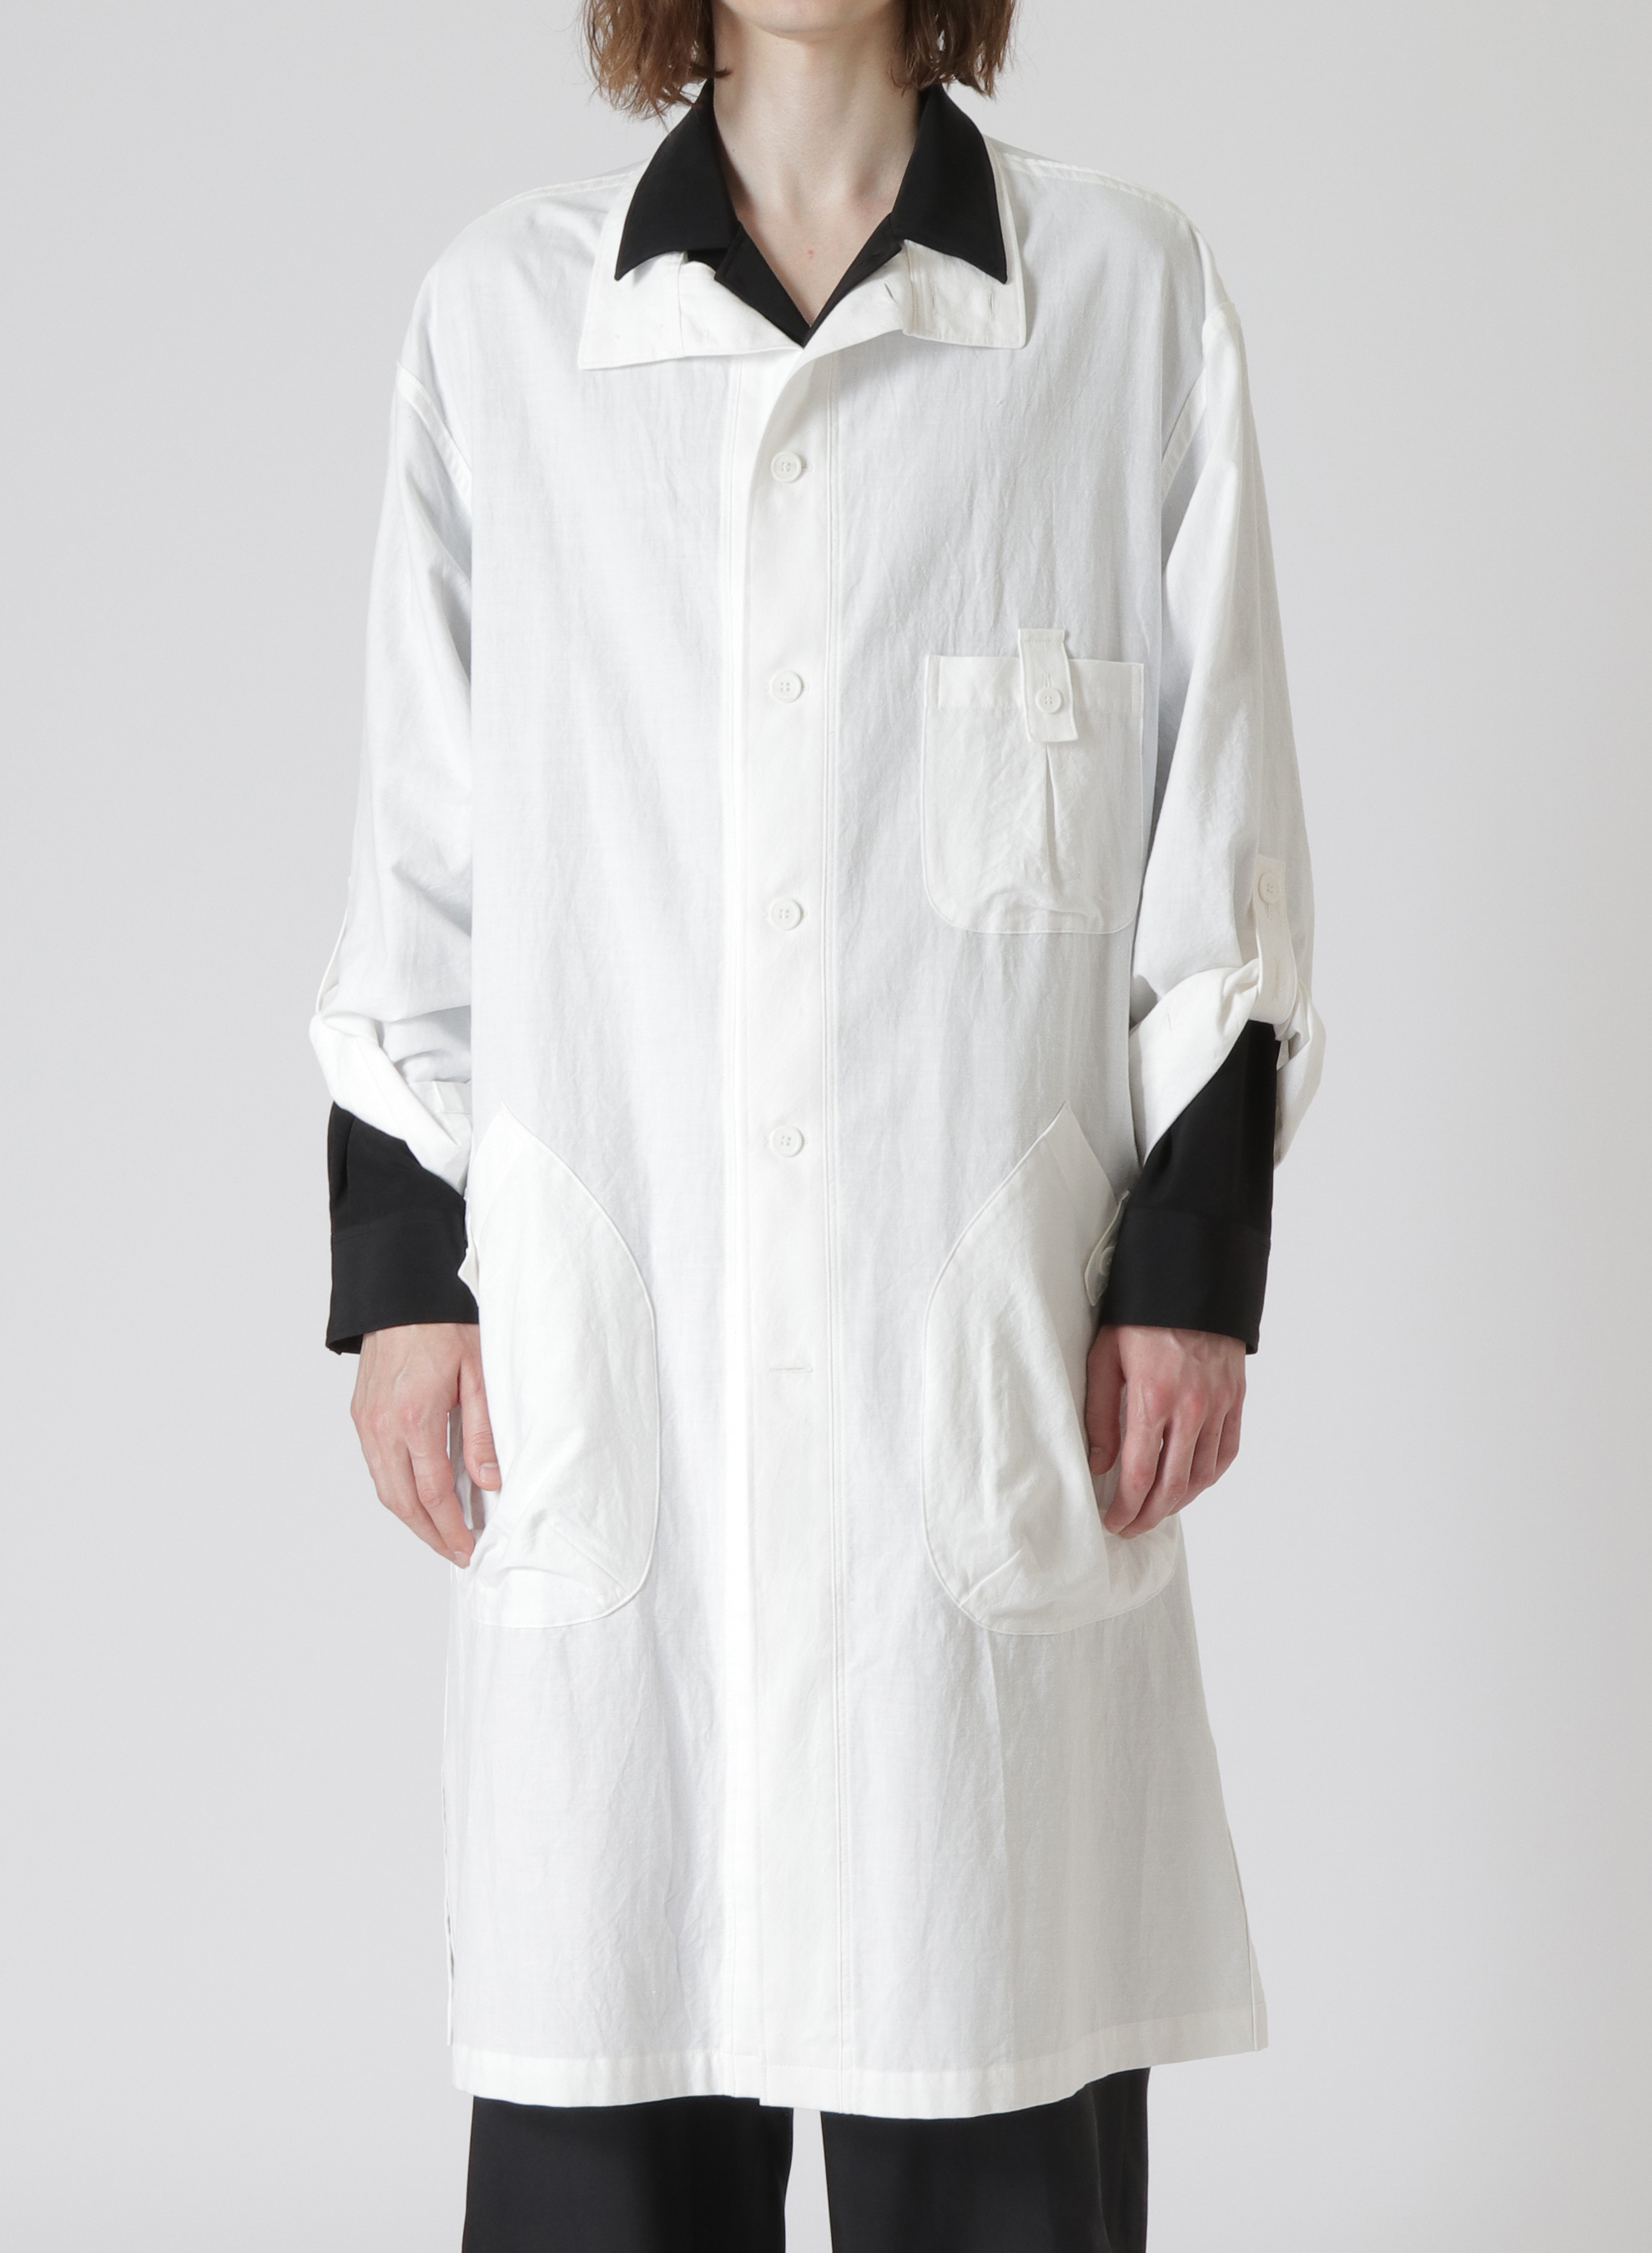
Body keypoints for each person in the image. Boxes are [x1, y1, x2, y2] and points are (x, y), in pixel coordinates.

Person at [310, 0, 1323, 2243]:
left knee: (981, 2062)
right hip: (621, 1370)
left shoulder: (1120, 296)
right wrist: (405, 1281)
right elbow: (420, 851)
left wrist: (1188, 1272)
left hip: (976, 1396)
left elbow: (1223, 833)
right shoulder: (506, 321)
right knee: (611, 2063)